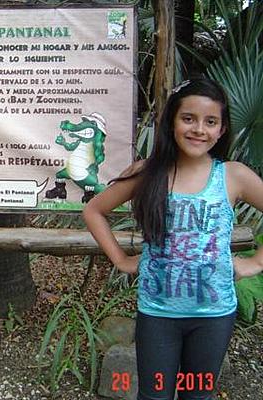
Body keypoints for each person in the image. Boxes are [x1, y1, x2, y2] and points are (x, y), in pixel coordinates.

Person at [83, 77, 263, 400]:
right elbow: (94, 210)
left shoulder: (232, 175)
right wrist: (121, 260)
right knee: (154, 395)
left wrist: (255, 263)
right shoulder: (147, 172)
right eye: (188, 118)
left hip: (213, 316)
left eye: (211, 122)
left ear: (222, 129)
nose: (199, 129)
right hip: (158, 314)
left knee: (198, 395)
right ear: (171, 122)